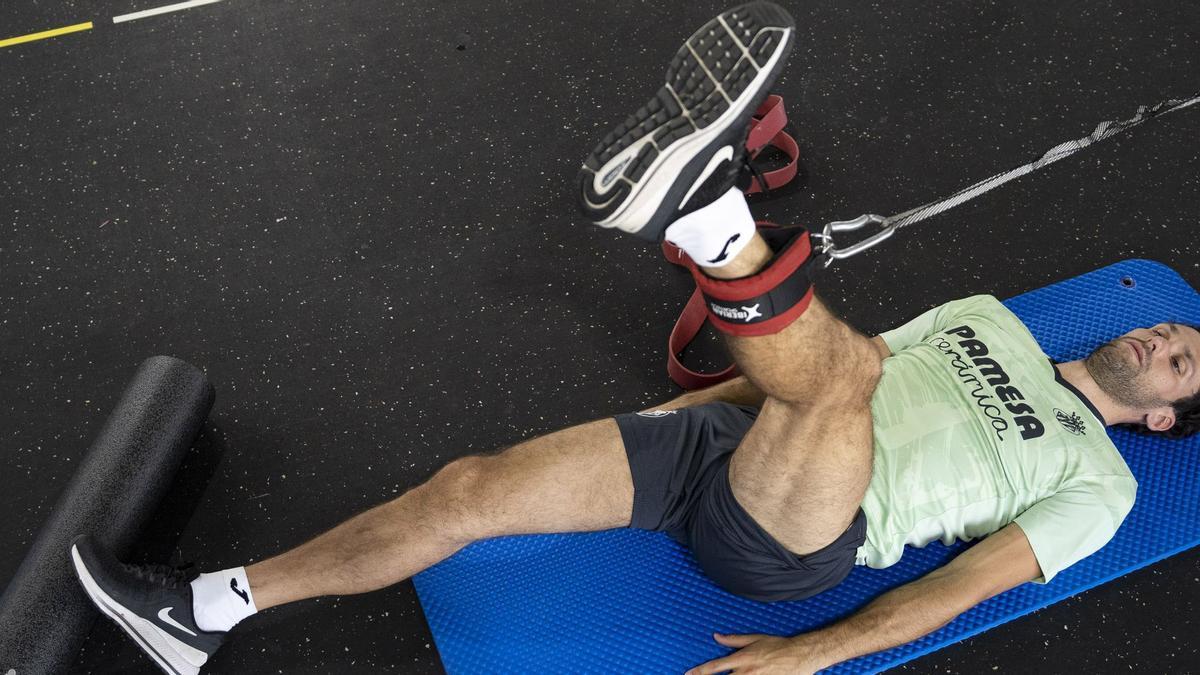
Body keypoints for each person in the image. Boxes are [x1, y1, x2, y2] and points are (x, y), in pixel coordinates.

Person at [69, 3, 1200, 674]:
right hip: (723, 448)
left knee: (845, 377)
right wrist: (656, 435)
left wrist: (807, 657)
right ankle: (201, 614)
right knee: (466, 490)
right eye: (1172, 327)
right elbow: (773, 390)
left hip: (800, 539)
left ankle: (709, 214)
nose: (1162, 334)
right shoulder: (989, 322)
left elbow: (957, 592)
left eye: (1185, 361)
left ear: (1163, 417)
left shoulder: (1096, 483)